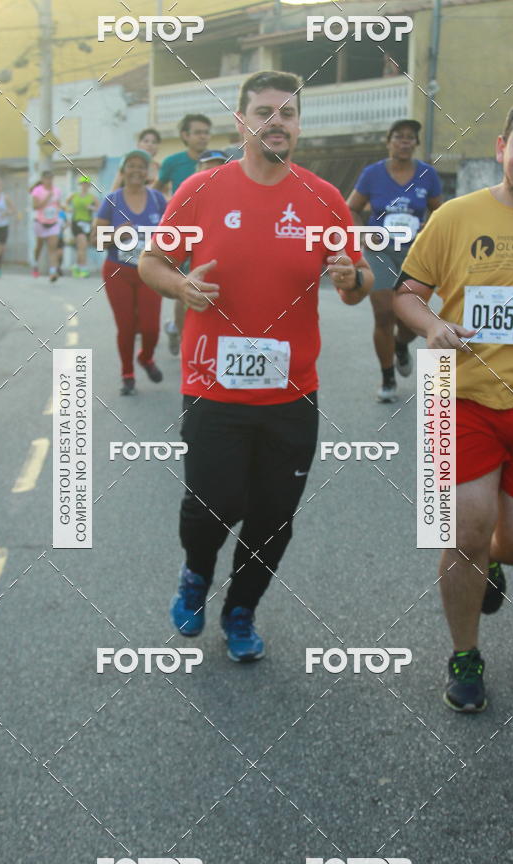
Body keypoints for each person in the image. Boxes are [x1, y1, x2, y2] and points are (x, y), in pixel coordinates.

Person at [139, 70, 373, 662]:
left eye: (288, 113)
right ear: (242, 122)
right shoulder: (199, 190)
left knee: (273, 517)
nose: (277, 122)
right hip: (211, 384)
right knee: (212, 502)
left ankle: (241, 610)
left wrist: (353, 278)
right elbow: (151, 262)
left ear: (298, 125)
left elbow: (356, 282)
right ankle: (196, 572)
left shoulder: (324, 199)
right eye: (265, 111)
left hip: (292, 393)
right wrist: (181, 284)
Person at [393, 93, 513, 713]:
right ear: (502, 150)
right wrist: (431, 325)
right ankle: (465, 652)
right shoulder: (456, 216)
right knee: (466, 530)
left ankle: (492, 565)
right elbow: (407, 294)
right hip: (461, 397)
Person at [348, 120, 442, 401]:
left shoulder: (428, 174)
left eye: (410, 138)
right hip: (380, 251)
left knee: (412, 321)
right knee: (384, 315)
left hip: (415, 254)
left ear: (415, 143)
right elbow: (350, 208)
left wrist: (426, 233)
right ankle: (387, 377)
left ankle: (402, 345)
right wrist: (363, 234)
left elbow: (440, 213)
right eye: (398, 137)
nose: (404, 142)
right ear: (389, 142)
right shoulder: (372, 174)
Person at [94, 149, 167, 395]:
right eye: (132, 165)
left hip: (150, 272)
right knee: (125, 326)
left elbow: (172, 234)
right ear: (123, 171)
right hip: (118, 271)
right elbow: (96, 240)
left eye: (141, 166)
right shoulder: (112, 200)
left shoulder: (158, 200)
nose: (137, 170)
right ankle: (127, 373)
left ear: (147, 172)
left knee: (151, 328)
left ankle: (145, 358)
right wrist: (115, 235)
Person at [156, 114, 212, 356]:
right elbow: (156, 192)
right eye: (198, 132)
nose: (203, 137)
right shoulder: (172, 162)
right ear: (185, 136)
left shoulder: (217, 159)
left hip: (211, 231)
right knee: (184, 286)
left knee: (207, 283)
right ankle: (181, 338)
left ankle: (200, 335)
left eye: (206, 132)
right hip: (183, 233)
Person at [30, 171, 63, 281]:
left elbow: (58, 204)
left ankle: (53, 273)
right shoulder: (37, 190)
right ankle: (35, 264)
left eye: (51, 179)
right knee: (39, 247)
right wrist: (47, 198)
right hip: (40, 223)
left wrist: (60, 210)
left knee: (52, 248)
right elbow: (35, 206)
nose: (49, 181)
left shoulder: (57, 191)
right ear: (43, 179)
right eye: (47, 179)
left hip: (53, 223)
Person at [67, 176, 97, 277]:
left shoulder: (92, 197)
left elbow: (99, 208)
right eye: (83, 184)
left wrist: (91, 207)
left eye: (86, 184)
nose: (84, 186)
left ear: (89, 186)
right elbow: (64, 204)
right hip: (76, 223)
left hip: (87, 223)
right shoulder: (74, 195)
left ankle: (76, 266)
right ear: (80, 185)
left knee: (82, 247)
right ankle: (83, 268)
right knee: (83, 244)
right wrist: (68, 209)